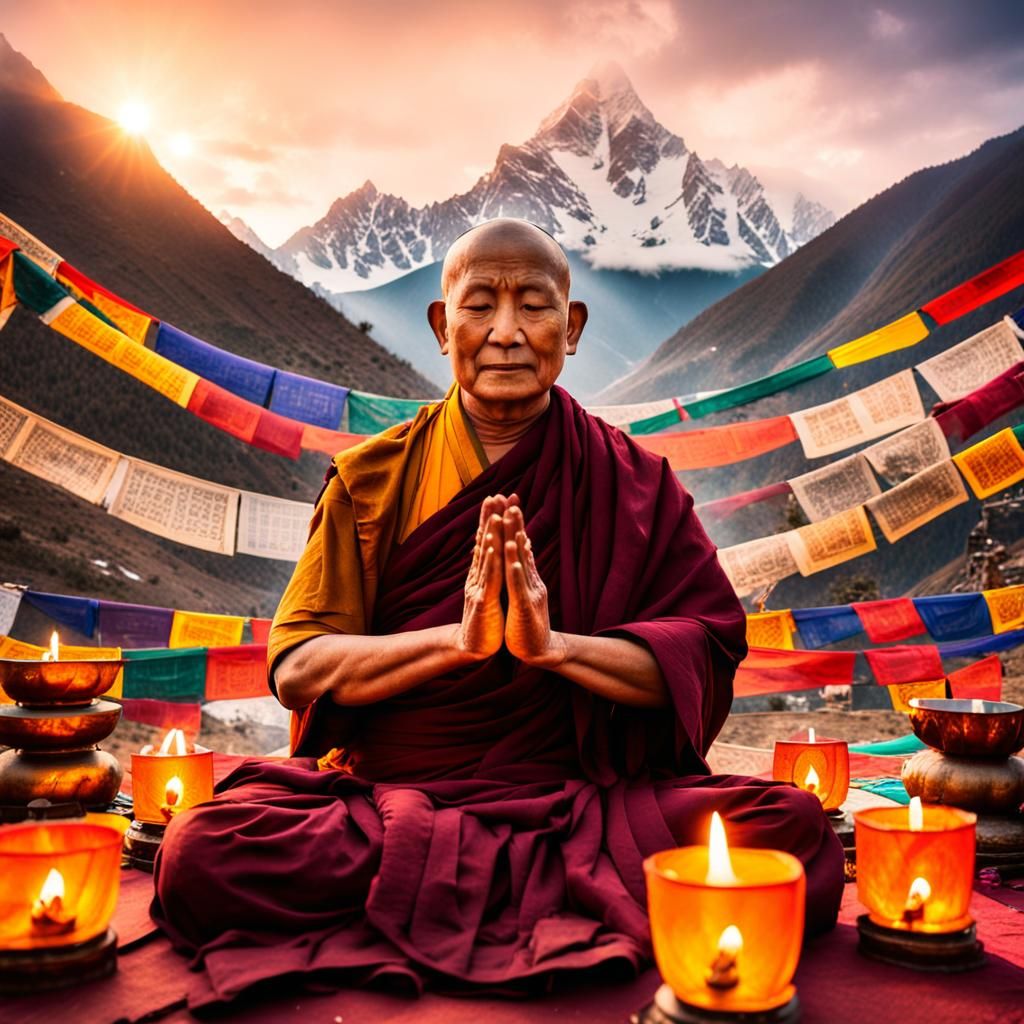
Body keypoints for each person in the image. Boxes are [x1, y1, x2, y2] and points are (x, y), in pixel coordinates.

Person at [152, 219, 844, 1008]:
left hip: (583, 799)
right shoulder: (372, 480)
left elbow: (705, 649)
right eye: (480, 305)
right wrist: (455, 641)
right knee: (204, 853)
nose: (507, 333)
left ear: (573, 327)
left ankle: (440, 893)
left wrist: (554, 648)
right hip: (400, 801)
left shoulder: (635, 483)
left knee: (793, 832)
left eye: (535, 307)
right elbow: (297, 665)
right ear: (443, 326)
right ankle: (555, 894)